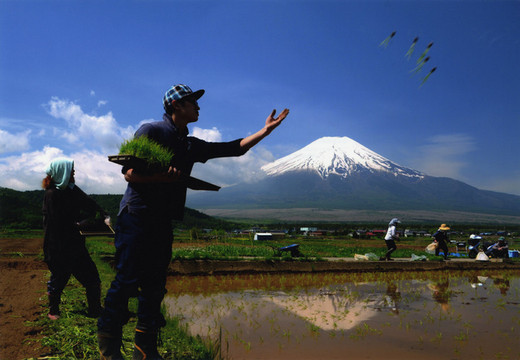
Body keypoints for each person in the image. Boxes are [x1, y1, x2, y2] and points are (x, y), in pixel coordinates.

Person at [97, 84, 289, 360]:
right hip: (137, 216)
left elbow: (234, 149)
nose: (198, 107)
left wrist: (265, 130)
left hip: (163, 220)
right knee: (127, 280)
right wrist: (161, 178)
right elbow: (129, 173)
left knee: (154, 285)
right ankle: (109, 347)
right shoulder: (150, 131)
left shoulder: (189, 144)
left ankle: (145, 350)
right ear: (176, 106)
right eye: (192, 102)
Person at [42, 158, 110, 320]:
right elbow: (59, 222)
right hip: (57, 246)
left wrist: (103, 214)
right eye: (71, 170)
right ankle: (53, 310)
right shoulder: (52, 195)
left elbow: (89, 203)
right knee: (59, 278)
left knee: (92, 276)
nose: (73, 173)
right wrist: (81, 224)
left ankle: (94, 309)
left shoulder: (72, 190)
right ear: (62, 172)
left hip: (75, 245)